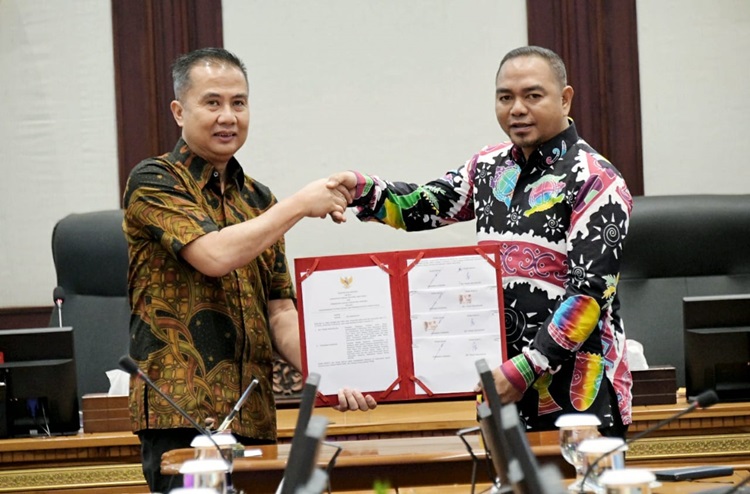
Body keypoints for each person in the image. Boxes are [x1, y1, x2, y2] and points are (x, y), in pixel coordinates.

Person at [329, 46, 632, 437]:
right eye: (505, 97)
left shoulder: (597, 179)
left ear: (565, 98)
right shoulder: (488, 167)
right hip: (500, 391)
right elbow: (422, 206)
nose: (517, 109)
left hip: (578, 394)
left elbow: (588, 297)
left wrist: (526, 368)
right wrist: (362, 189)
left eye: (532, 95)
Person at [122, 47, 376, 493]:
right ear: (179, 112)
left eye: (239, 103)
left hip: (253, 415)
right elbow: (215, 256)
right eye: (213, 102)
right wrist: (300, 205)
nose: (228, 117)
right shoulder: (154, 180)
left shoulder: (259, 201)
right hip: (183, 416)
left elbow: (280, 314)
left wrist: (331, 373)